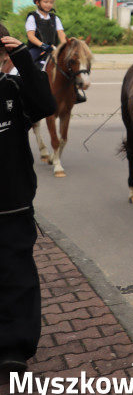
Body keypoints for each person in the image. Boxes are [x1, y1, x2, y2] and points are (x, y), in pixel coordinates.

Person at [0, 25, 56, 376]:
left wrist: (22, 54)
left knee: (16, 273)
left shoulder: (13, 87)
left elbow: (46, 103)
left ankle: (13, 346)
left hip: (12, 203)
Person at [24, 0, 67, 66]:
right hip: (36, 49)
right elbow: (31, 36)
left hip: (53, 49)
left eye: (51, 2)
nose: (49, 4)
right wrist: (44, 46)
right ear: (37, 2)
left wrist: (66, 46)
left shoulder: (55, 18)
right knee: (26, 64)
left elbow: (61, 35)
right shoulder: (32, 18)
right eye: (46, 2)